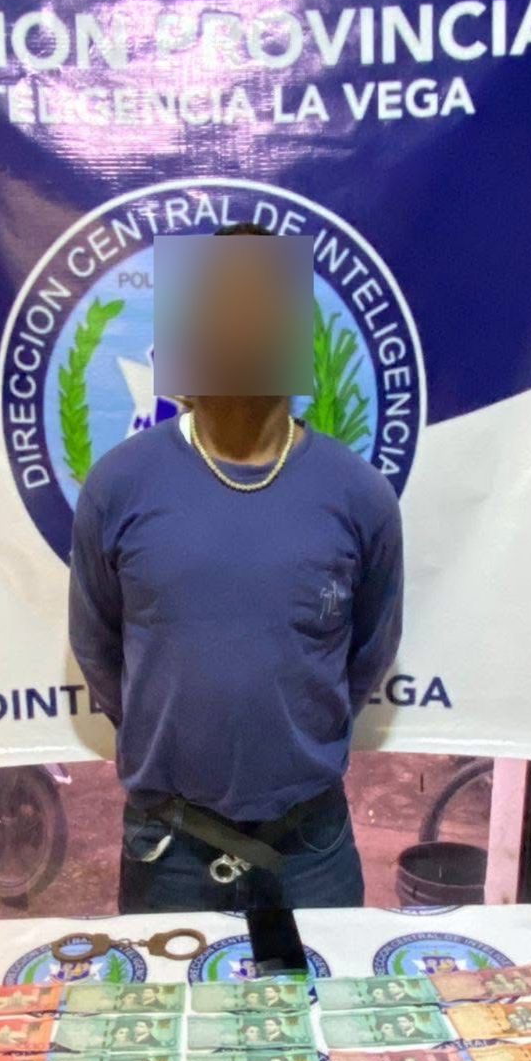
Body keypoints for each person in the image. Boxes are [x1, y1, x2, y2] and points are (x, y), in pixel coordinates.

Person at [69, 223, 404, 913]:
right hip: (168, 846)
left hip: (310, 847)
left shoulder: (359, 495)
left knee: (318, 994)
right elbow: (98, 646)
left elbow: (368, 653)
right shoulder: (119, 485)